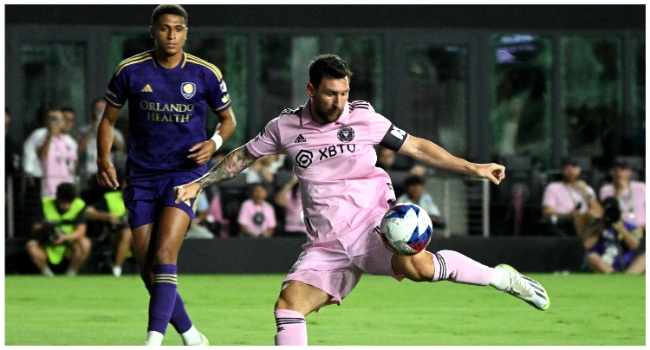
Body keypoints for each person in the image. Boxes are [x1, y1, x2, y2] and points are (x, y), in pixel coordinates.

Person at [174, 54, 550, 346]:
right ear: (310, 90)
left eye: (344, 93)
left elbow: (417, 146)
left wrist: (472, 168)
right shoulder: (284, 127)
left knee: (421, 270)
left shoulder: (364, 119)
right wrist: (201, 183)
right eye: (330, 93)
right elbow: (243, 156)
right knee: (288, 306)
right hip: (326, 243)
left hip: (375, 226)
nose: (339, 102)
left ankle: (503, 278)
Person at [95, 4, 237, 346]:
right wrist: (103, 160)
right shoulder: (131, 70)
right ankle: (191, 334)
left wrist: (214, 142)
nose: (171, 35)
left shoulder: (205, 73)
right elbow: (108, 120)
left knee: (164, 257)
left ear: (186, 32)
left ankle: (153, 341)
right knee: (149, 273)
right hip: (142, 177)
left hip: (184, 174)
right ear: (153, 31)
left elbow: (228, 120)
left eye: (178, 29)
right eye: (164, 28)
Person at [25, 182, 91, 277]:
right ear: (57, 197)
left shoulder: (79, 205)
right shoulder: (45, 204)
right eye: (63, 202)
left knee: (85, 243)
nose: (65, 206)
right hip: (47, 244)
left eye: (69, 203)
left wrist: (64, 237)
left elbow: (81, 231)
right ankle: (48, 275)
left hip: (68, 245)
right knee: (31, 247)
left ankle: (71, 274)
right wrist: (46, 231)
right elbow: (36, 228)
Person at [541, 156, 603, 241]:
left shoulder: (587, 189)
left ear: (579, 169)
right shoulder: (553, 187)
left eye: (574, 167)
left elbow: (600, 213)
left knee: (593, 215)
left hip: (587, 223)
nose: (571, 171)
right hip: (565, 223)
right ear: (562, 170)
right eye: (567, 167)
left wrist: (586, 192)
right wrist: (567, 215)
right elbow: (547, 212)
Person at [84, 172, 133, 277]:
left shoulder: (145, 199)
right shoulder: (110, 197)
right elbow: (88, 212)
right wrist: (107, 216)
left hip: (139, 238)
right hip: (114, 236)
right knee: (127, 233)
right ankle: (117, 270)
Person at [583, 197, 645, 274]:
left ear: (620, 210)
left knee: (645, 259)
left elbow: (636, 247)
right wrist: (600, 226)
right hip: (605, 264)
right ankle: (614, 275)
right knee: (592, 257)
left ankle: (626, 278)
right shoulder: (597, 225)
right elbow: (586, 245)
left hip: (627, 265)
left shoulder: (630, 227)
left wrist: (622, 230)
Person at [35, 108, 79, 197]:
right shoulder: (41, 138)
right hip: (50, 188)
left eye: (57, 119)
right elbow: (42, 156)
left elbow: (74, 162)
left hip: (67, 186)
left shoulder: (70, 141)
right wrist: (50, 135)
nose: (55, 122)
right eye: (52, 119)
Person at [598, 159, 646, 232]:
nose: (619, 173)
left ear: (629, 172)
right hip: (617, 230)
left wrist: (644, 228)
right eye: (616, 170)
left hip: (641, 229)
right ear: (612, 172)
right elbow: (609, 213)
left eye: (622, 169)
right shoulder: (606, 190)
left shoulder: (641, 188)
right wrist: (619, 191)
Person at [274, 172, 308, 236]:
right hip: (291, 230)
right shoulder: (292, 193)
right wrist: (291, 182)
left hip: (310, 232)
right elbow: (279, 200)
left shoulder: (314, 192)